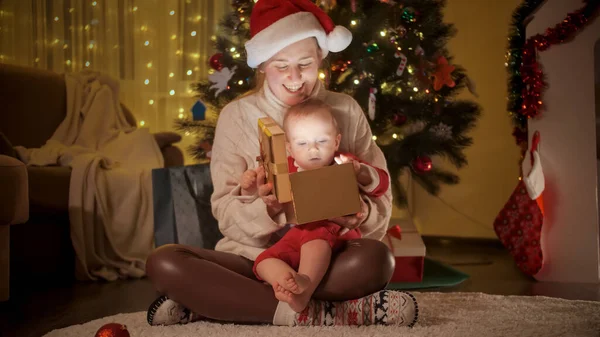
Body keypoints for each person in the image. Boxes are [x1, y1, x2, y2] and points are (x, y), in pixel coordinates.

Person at [145, 0, 419, 328]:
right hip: (254, 260)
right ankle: (327, 313)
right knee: (165, 262)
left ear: (320, 56)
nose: (295, 78)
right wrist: (269, 210)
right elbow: (225, 212)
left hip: (325, 257)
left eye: (305, 63)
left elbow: (380, 199)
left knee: (377, 259)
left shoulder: (344, 110)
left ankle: (219, 304)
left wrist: (356, 214)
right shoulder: (237, 116)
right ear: (261, 65)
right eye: (281, 65)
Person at [241, 99, 390, 313]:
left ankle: (304, 289)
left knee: (316, 234)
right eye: (302, 144)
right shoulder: (287, 168)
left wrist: (361, 172)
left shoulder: (343, 163)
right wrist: (249, 183)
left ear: (336, 141)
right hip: (299, 234)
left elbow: (381, 184)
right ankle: (286, 280)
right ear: (290, 148)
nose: (313, 149)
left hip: (334, 232)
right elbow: (264, 187)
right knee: (264, 260)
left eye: (322, 140)